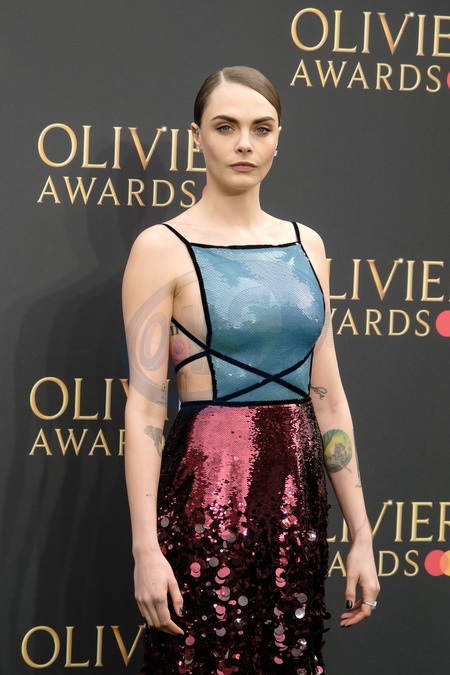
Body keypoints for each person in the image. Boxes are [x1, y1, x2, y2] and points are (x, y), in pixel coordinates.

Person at [122, 65, 380, 675]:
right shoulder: (161, 247)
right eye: (225, 126)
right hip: (206, 498)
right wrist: (145, 548)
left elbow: (328, 396)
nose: (244, 143)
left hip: (298, 501)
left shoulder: (308, 245)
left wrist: (362, 533)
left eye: (261, 128)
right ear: (196, 137)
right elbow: (146, 405)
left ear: (278, 139)